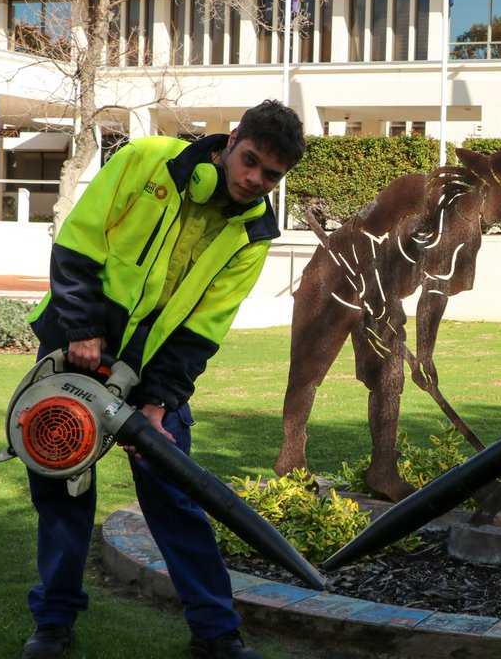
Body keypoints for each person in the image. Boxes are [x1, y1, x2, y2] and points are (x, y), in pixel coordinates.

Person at [20, 100, 306, 659]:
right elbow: (79, 240)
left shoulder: (255, 232)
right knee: (61, 489)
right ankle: (53, 623)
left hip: (156, 373)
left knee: (175, 495)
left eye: (271, 175)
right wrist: (81, 329)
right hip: (76, 350)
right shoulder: (146, 159)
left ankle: (216, 635)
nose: (255, 180)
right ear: (231, 140)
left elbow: (205, 326)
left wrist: (159, 401)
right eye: (250, 160)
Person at [274, 148, 501, 501]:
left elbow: (435, 293)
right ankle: (290, 458)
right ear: (491, 188)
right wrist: (377, 298)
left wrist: (425, 355)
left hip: (383, 297)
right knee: (308, 370)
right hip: (336, 274)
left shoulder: (467, 237)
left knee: (390, 376)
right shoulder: (419, 191)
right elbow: (367, 233)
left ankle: (382, 469)